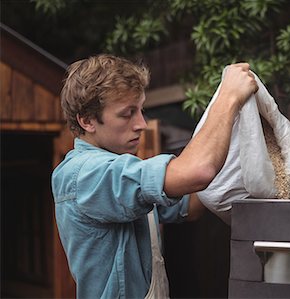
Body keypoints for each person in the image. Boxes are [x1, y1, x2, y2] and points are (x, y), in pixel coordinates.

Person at [51, 54, 257, 298]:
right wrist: (229, 98)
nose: (142, 124)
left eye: (140, 110)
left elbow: (190, 205)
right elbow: (197, 172)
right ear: (87, 121)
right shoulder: (86, 173)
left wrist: (238, 149)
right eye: (127, 113)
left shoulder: (121, 169)